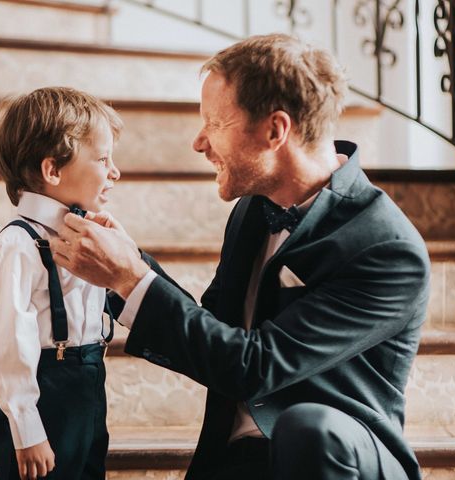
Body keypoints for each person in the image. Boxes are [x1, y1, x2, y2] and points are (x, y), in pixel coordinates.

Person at [51, 34, 430, 480]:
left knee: (311, 428)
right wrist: (127, 267)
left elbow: (256, 366)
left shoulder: (387, 249)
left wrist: (132, 279)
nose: (198, 142)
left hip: (335, 456)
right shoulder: (252, 209)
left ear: (275, 130)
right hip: (237, 458)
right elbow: (215, 331)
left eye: (214, 123)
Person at [0, 86, 123, 480]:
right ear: (52, 170)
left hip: (88, 383)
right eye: (104, 159)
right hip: (43, 392)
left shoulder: (86, 236)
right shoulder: (18, 245)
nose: (115, 172)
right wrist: (27, 430)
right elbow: (9, 343)